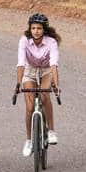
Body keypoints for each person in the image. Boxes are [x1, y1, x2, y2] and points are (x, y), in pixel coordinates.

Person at [16, 12, 61, 157]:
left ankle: (51, 130)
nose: (36, 31)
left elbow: (54, 64)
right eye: (33, 28)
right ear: (30, 29)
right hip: (29, 71)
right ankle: (29, 140)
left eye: (39, 28)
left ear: (44, 30)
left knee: (44, 94)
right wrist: (18, 83)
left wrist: (56, 84)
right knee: (29, 107)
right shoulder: (24, 40)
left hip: (46, 71)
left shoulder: (51, 42)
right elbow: (21, 63)